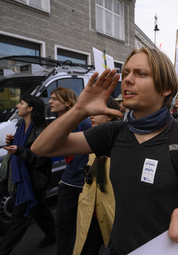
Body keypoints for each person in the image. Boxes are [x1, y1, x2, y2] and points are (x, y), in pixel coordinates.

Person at [31, 47, 178, 255]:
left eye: (141, 74)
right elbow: (42, 147)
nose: (127, 79)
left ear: (165, 88)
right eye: (126, 72)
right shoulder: (114, 132)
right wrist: (79, 110)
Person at [0, 95, 55, 254]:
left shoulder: (40, 130)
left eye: (21, 103)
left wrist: (19, 150)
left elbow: (41, 160)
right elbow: (24, 148)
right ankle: (52, 235)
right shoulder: (21, 126)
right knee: (40, 211)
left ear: (30, 109)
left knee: (18, 220)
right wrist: (13, 144)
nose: (17, 106)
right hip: (27, 179)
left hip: (33, 182)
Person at [73, 97, 120, 255]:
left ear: (110, 116)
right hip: (91, 208)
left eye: (96, 112)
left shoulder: (122, 142)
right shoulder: (92, 139)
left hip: (112, 210)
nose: (91, 116)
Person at [49, 87, 92, 255]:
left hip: (84, 184)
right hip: (67, 181)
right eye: (50, 98)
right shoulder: (58, 123)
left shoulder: (85, 123)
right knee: (62, 224)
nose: (50, 101)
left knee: (84, 228)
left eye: (54, 98)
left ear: (67, 103)